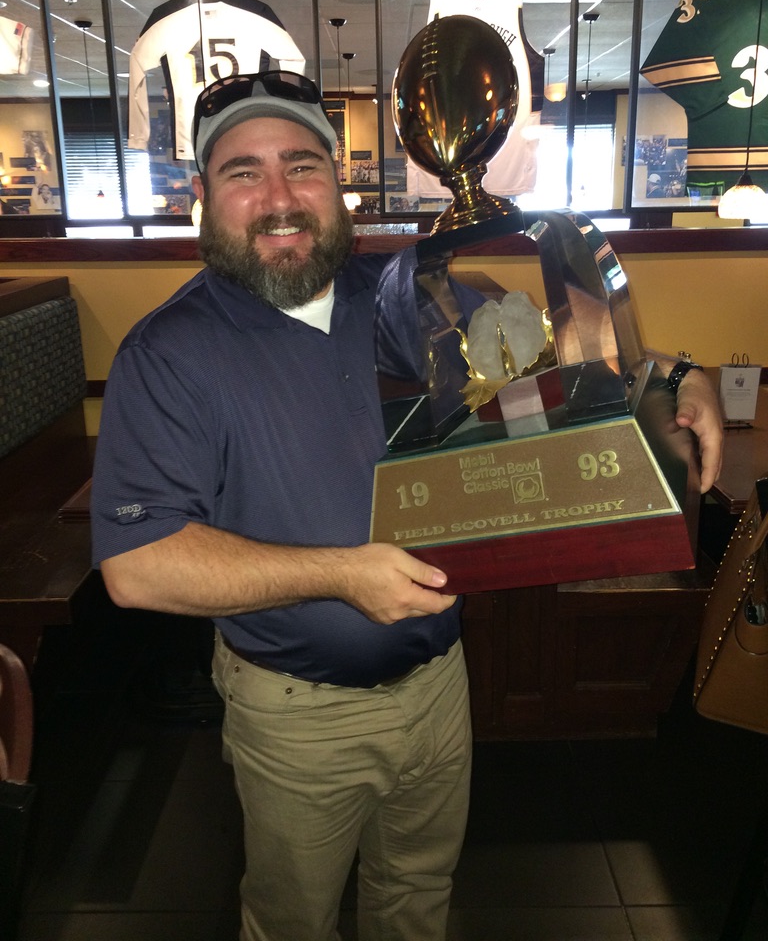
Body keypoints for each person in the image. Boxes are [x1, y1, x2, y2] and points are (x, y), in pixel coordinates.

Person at [90, 70, 724, 941]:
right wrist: (344, 577)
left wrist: (682, 384)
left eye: (301, 165)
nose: (278, 197)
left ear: (337, 186)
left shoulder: (401, 295)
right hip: (296, 713)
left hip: (437, 685)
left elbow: (566, 367)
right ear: (203, 196)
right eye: (243, 173)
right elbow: (137, 564)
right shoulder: (168, 352)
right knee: (290, 922)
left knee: (420, 899)